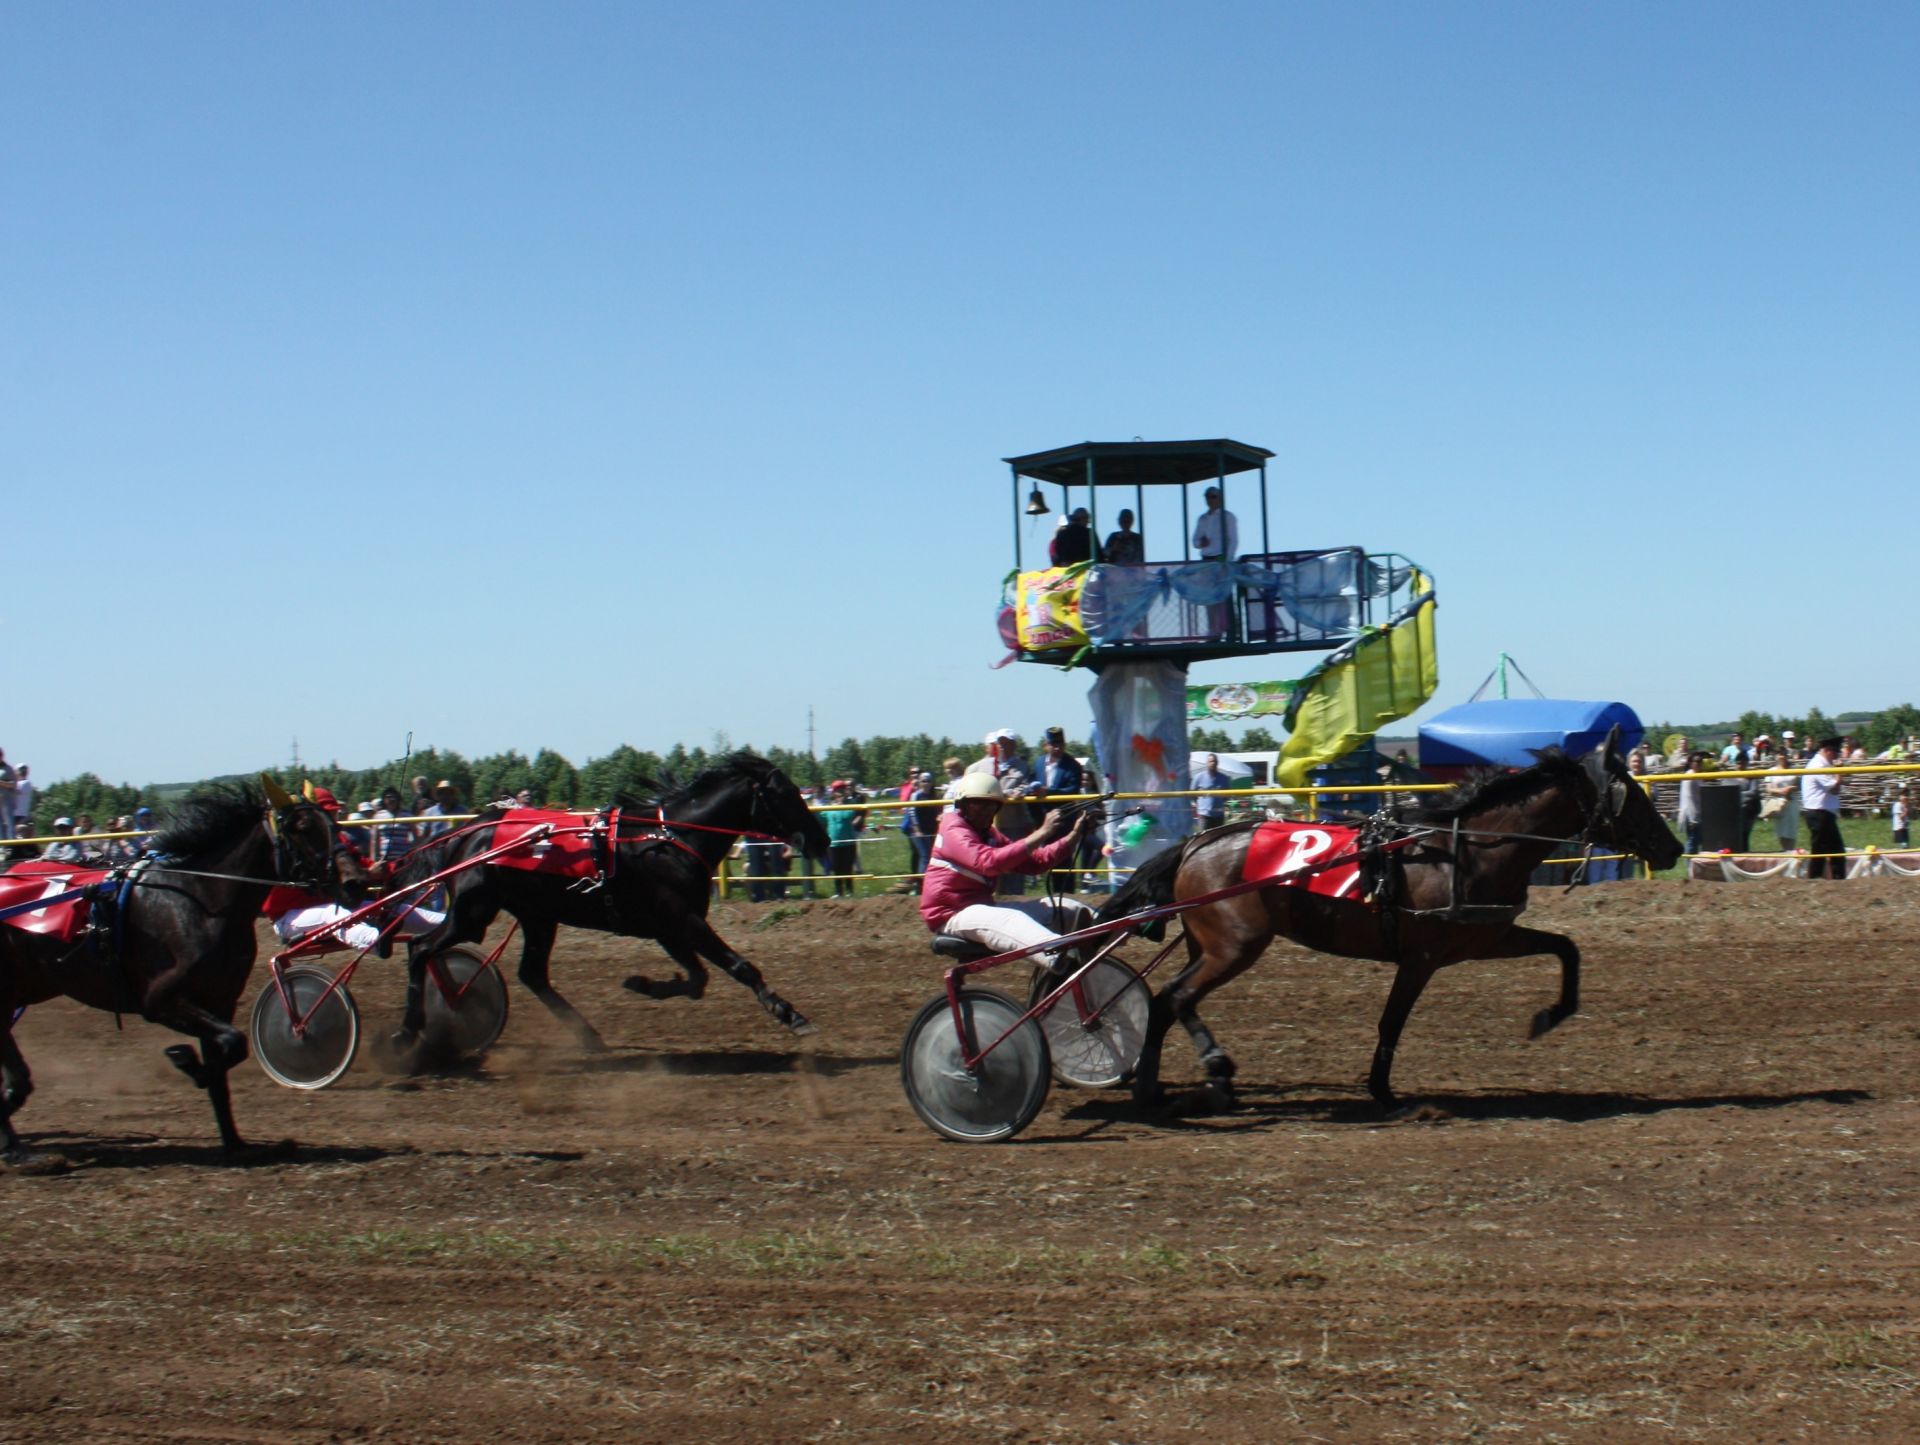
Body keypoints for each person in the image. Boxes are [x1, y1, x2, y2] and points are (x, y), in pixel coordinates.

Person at [920, 772, 1099, 968]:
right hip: (951, 914)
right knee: (1012, 919)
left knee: (1065, 908)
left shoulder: (990, 835)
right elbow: (987, 863)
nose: (985, 810)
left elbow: (1036, 862)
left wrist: (1074, 835)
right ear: (962, 805)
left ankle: (1110, 928)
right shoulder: (953, 829)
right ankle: (1061, 958)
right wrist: (1041, 833)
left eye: (991, 805)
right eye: (977, 803)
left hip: (981, 909)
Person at [265, 787, 444, 949]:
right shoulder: (303, 848)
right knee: (333, 913)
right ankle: (376, 941)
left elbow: (364, 865)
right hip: (290, 918)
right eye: (330, 813)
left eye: (334, 813)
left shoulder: (341, 842)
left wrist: (398, 867)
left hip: (335, 907)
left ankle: (446, 923)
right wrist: (368, 873)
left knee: (387, 908)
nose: (335, 818)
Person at [1033, 726, 1087, 893]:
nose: (1057, 748)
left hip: (1064, 820)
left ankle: (1067, 895)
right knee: (1045, 858)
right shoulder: (1038, 763)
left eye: (1060, 744)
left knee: (1063, 857)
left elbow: (1072, 790)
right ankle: (1048, 893)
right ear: (1046, 745)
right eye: (1053, 744)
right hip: (1043, 820)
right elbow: (1032, 782)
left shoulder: (1073, 766)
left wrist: (1048, 792)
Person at [1800, 737, 1847, 879]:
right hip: (1819, 814)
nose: (1837, 756)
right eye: (1835, 753)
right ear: (1827, 751)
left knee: (1833, 851)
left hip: (1824, 814)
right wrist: (1839, 771)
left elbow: (1835, 789)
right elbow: (1834, 787)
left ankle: (1835, 880)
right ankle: (1816, 879)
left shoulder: (1823, 765)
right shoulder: (1818, 766)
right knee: (1822, 851)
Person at [819, 781, 863, 897]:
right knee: (836, 868)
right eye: (838, 790)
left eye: (842, 790)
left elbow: (855, 814)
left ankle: (849, 892)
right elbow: (820, 818)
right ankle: (838, 892)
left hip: (848, 842)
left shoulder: (851, 804)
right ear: (833, 792)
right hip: (834, 843)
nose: (840, 792)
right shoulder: (828, 807)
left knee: (848, 867)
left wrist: (843, 804)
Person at [1192, 486, 1238, 561]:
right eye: (1207, 497)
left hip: (1221, 557)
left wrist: (1227, 560)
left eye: (1213, 497)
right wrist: (1201, 543)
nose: (1210, 500)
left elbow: (1233, 540)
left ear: (1220, 498)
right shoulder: (1202, 518)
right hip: (1205, 558)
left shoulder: (1227, 516)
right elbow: (1194, 542)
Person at [1192, 751, 1229, 833]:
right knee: (1204, 839)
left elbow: (1227, 796)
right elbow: (1192, 794)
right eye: (1210, 761)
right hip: (1204, 815)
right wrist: (1200, 804)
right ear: (1206, 763)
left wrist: (1219, 801)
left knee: (1219, 838)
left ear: (1217, 763)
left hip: (1219, 815)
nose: (1212, 763)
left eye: (1214, 761)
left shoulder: (1224, 778)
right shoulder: (1198, 777)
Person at [0, 747, 15, 840]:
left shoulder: (8, 769)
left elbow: (13, 784)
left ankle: (12, 845)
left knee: (9, 823)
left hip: (6, 799)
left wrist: (1, 783)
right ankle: (2, 845)